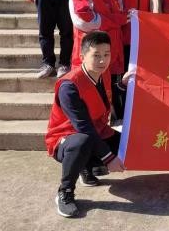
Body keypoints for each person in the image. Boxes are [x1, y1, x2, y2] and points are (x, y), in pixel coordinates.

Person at [45, 31, 126, 218]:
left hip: (96, 132)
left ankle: (87, 167)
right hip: (65, 139)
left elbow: (103, 97)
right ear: (82, 57)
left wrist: (122, 84)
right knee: (82, 142)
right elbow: (83, 127)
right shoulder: (69, 86)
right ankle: (65, 192)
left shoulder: (103, 74)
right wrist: (108, 158)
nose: (102, 60)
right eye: (96, 55)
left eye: (106, 54)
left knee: (126, 144)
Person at [69, 0, 129, 117]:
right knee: (89, 100)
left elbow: (123, 14)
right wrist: (115, 20)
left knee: (109, 99)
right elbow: (85, 19)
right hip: (91, 54)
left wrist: (121, 18)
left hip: (112, 54)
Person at [110, 0, 151, 116]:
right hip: (123, 36)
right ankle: (120, 116)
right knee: (122, 78)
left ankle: (140, 115)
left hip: (145, 37)